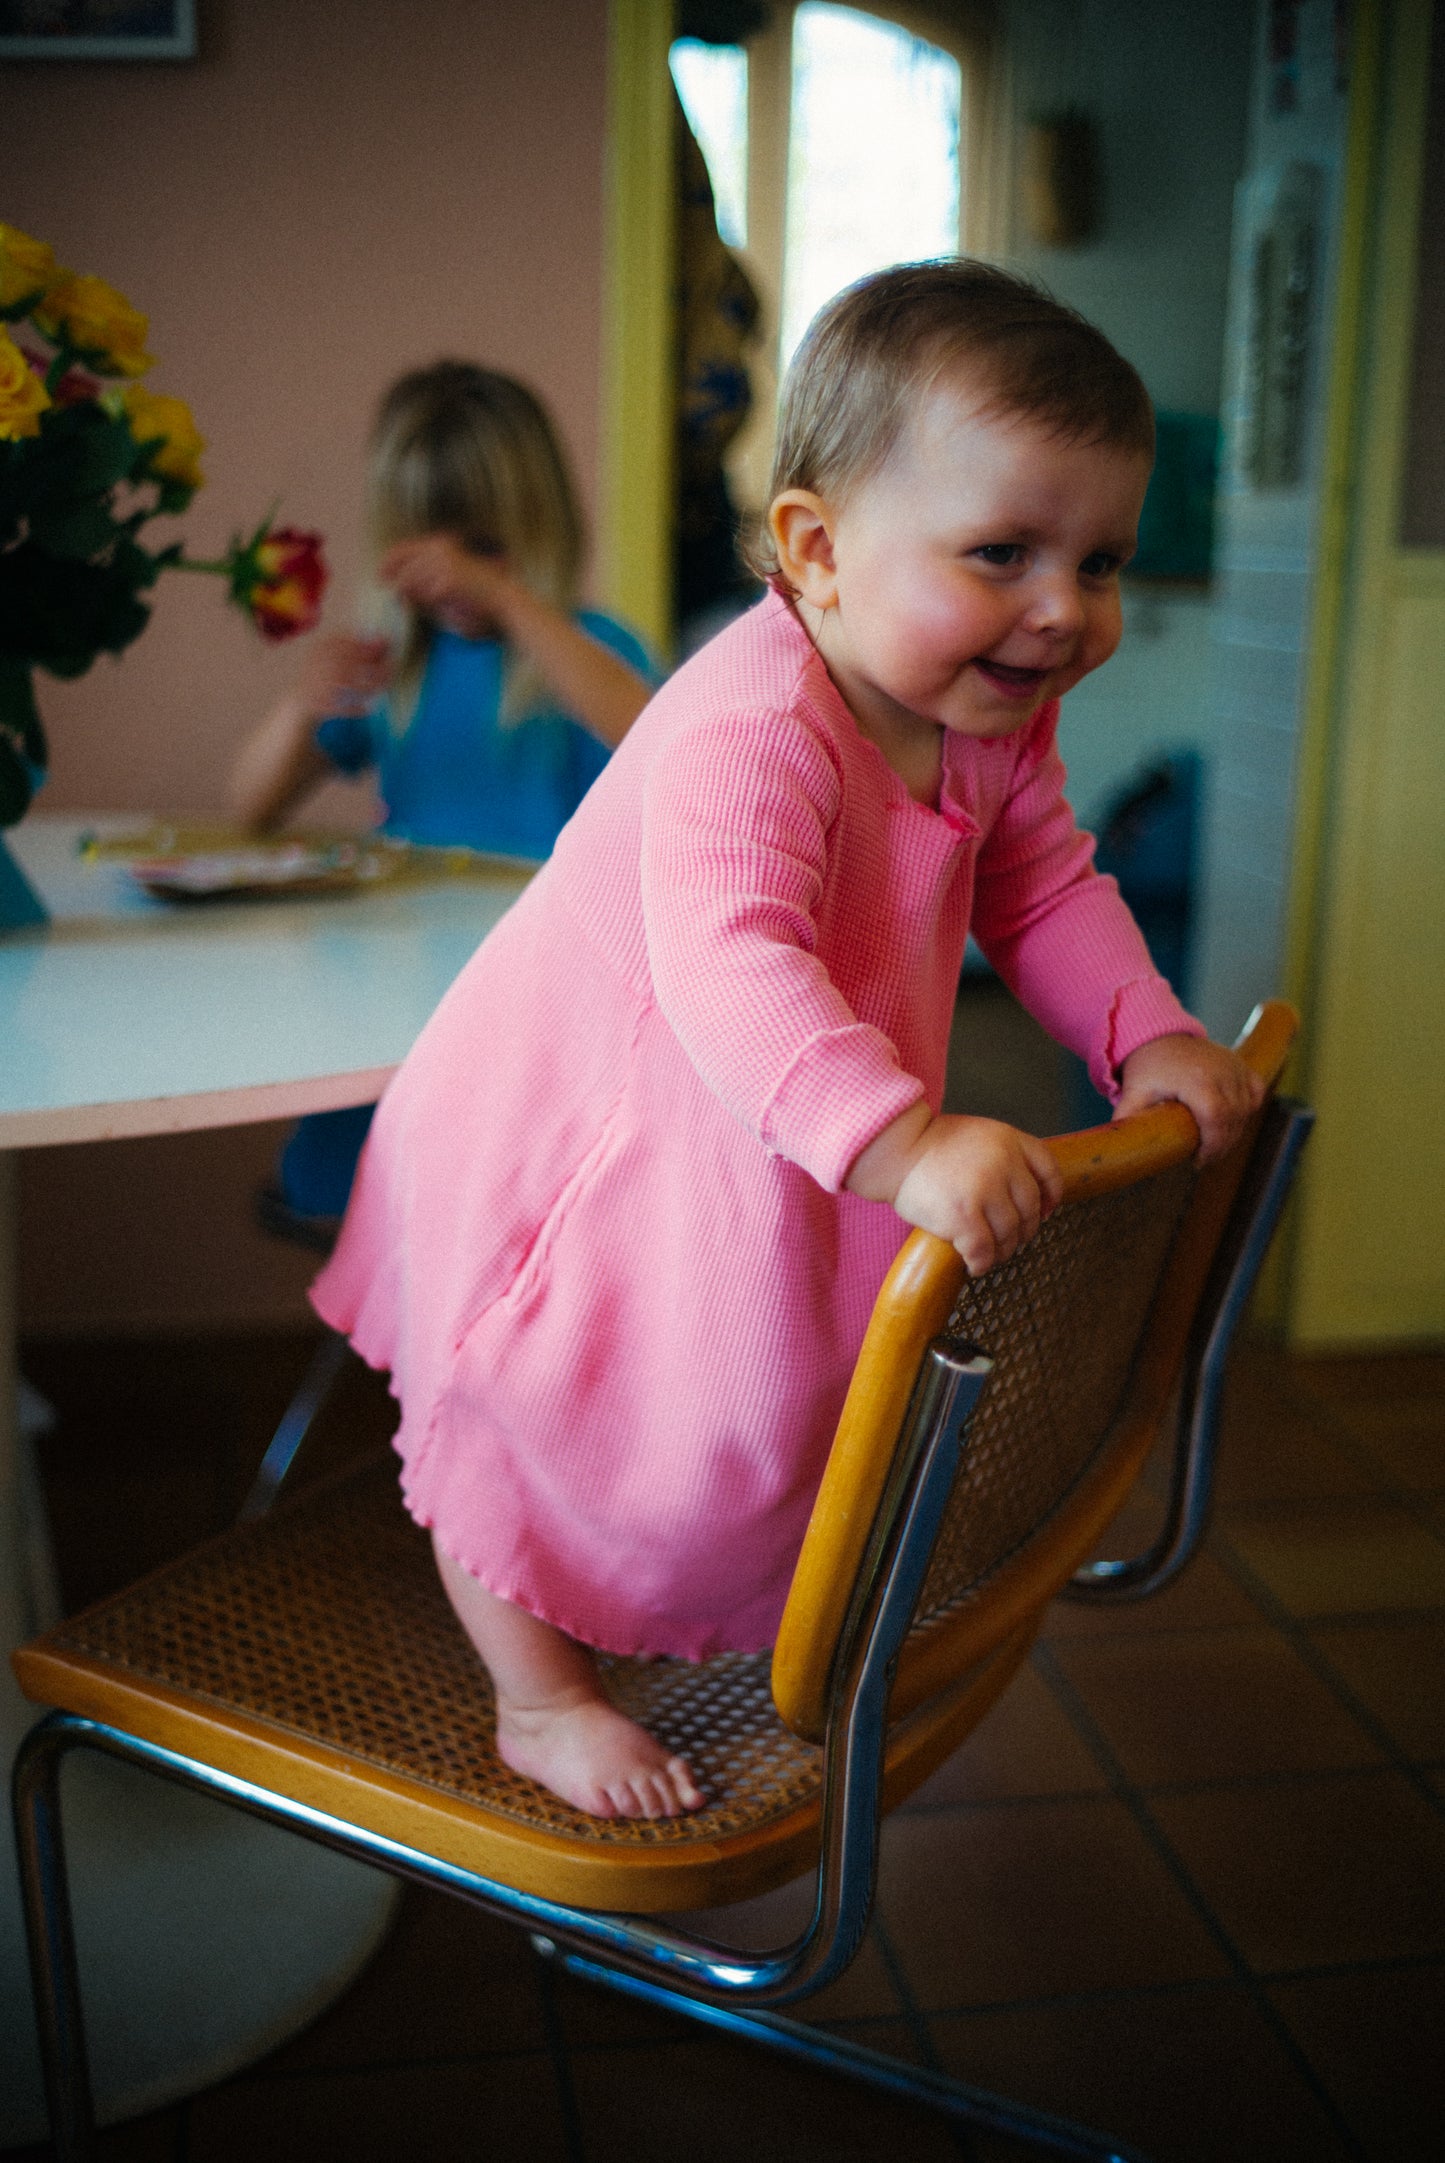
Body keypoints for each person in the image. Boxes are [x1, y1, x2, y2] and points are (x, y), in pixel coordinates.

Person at [312, 263, 1265, 1823]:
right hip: (578, 1136)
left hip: (765, 1121)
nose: (1062, 609)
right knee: (526, 1398)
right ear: (816, 551)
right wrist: (902, 1141)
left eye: (1100, 561)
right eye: (1003, 552)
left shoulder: (984, 711)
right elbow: (731, 959)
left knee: (736, 1396)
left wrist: (1141, 1030)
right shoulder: (749, 729)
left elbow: (1043, 885)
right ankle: (538, 1696)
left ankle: (717, 1591)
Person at [230, 362, 657, 1220]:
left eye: (486, 549)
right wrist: (299, 705)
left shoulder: (583, 653)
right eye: (435, 551)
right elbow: (250, 808)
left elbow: (657, 741)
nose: (455, 577)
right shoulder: (397, 670)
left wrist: (509, 602)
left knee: (510, 1191)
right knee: (363, 1167)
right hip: (401, 1001)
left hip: (541, 1009)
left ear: (541, 532)